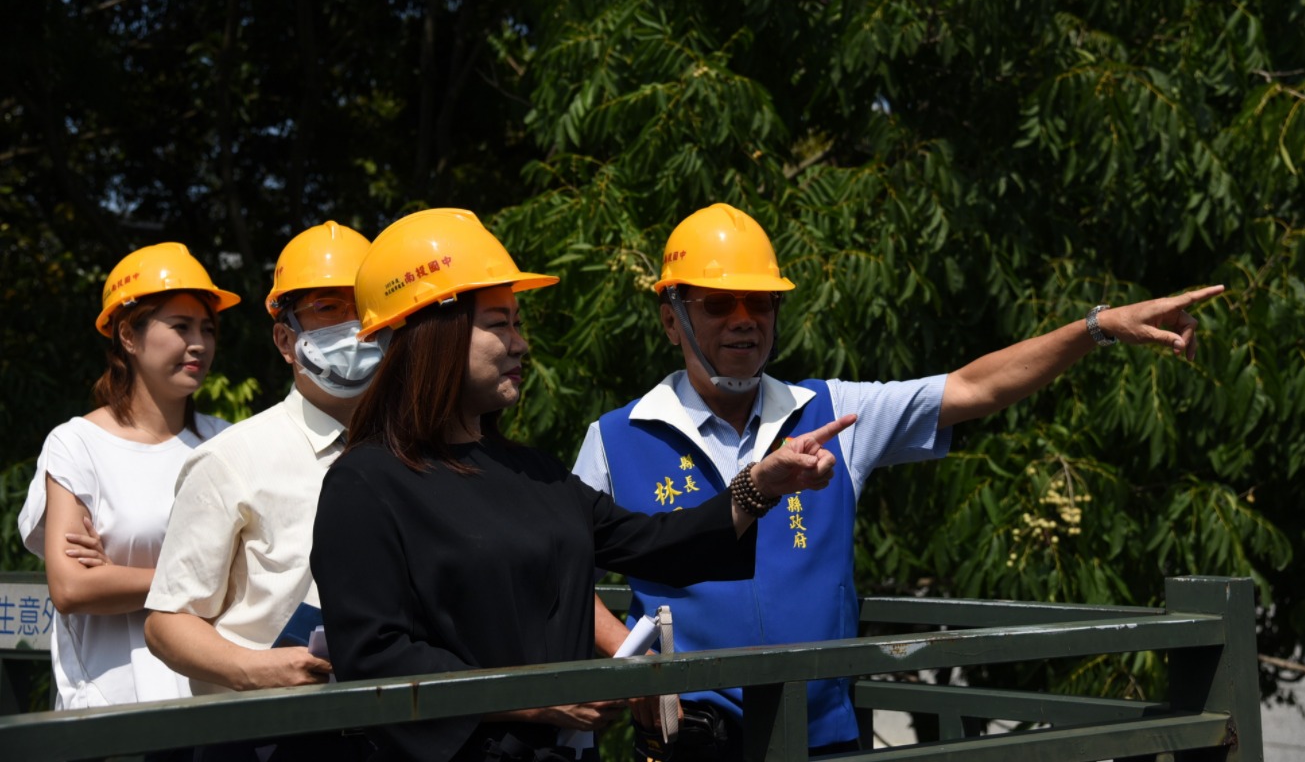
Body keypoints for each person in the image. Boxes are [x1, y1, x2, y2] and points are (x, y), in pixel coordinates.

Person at [574, 202, 1226, 758]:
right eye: (719, 304)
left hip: (821, 735)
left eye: (762, 302)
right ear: (671, 317)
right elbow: (561, 571)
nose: (745, 318)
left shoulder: (832, 412)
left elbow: (975, 385)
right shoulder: (616, 436)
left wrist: (1097, 327)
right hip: (689, 740)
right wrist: (635, 669)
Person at [308, 208, 854, 762]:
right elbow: (373, 657)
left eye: (519, 323)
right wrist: (538, 700)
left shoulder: (532, 472)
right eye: (500, 324)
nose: (520, 344)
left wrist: (759, 485)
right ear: (433, 330)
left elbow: (657, 544)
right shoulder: (365, 483)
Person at [140, 221, 379, 759]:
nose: (355, 329)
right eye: (327, 309)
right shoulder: (232, 459)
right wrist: (256, 669)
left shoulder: (414, 452)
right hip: (262, 738)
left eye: (365, 309)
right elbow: (168, 621)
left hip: (387, 730)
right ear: (285, 340)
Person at [16, 243, 240, 710]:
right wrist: (203, 578)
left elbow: (255, 572)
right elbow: (72, 588)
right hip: (109, 707)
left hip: (210, 701)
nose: (198, 342)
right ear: (128, 336)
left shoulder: (227, 443)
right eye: (179, 327)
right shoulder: (77, 444)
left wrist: (119, 576)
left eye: (207, 328)